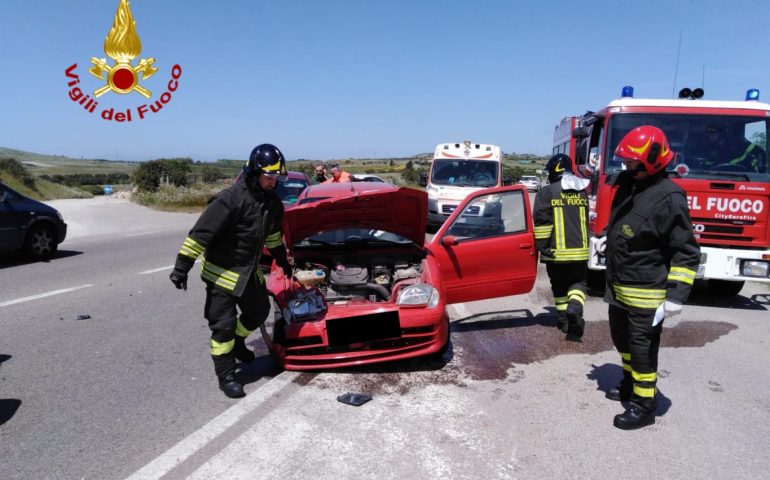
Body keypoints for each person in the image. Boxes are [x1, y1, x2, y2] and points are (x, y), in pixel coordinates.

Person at [169, 144, 293, 399]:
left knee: (259, 311)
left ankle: (238, 342)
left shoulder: (273, 204)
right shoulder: (229, 199)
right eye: (269, 177)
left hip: (250, 273)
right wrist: (182, 267)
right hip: (221, 275)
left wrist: (282, 258)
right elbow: (200, 235)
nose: (273, 183)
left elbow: (272, 236)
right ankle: (226, 375)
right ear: (254, 172)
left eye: (277, 178)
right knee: (222, 327)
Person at [601, 126, 700, 429]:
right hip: (619, 287)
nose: (627, 167)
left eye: (632, 162)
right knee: (622, 342)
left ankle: (644, 406)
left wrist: (675, 295)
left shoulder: (669, 197)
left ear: (653, 160)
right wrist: (609, 237)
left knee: (643, 352)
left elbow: (687, 251)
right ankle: (630, 383)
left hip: (646, 292)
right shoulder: (633, 185)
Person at [533, 154, 590, 341]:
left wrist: (542, 246)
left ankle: (564, 320)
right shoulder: (581, 192)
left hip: (555, 253)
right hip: (580, 252)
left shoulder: (547, 192)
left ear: (554, 170)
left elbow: (542, 222)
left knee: (559, 287)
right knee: (578, 284)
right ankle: (575, 305)